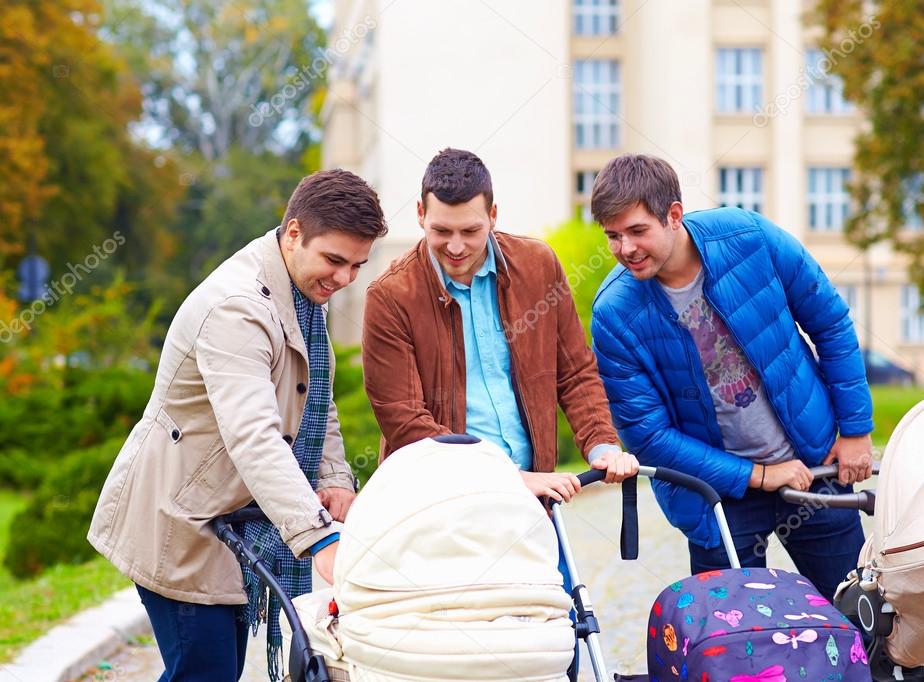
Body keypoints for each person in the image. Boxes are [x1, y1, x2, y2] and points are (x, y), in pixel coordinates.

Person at [88, 169, 387, 681]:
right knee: (205, 674)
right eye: (335, 261)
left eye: (357, 266)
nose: (344, 279)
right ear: (293, 233)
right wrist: (317, 537)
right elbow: (255, 438)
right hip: (181, 523)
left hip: (227, 523)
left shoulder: (301, 294)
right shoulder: (239, 308)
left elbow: (314, 398)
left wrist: (335, 476)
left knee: (206, 672)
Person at [361, 148, 638, 680]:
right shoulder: (390, 297)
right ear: (420, 214)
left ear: (494, 214)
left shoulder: (538, 266)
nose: (456, 246)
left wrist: (602, 445)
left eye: (470, 229)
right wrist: (512, 480)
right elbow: (407, 424)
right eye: (441, 230)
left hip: (532, 508)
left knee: (552, 645)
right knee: (461, 656)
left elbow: (576, 372)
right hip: (441, 510)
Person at [588, 154, 873, 598]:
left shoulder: (748, 237)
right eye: (613, 236)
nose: (625, 249)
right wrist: (758, 476)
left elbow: (830, 322)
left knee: (859, 620)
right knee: (738, 650)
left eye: (637, 231)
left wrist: (855, 429)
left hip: (812, 464)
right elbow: (649, 437)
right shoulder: (614, 314)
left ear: (674, 215)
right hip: (717, 498)